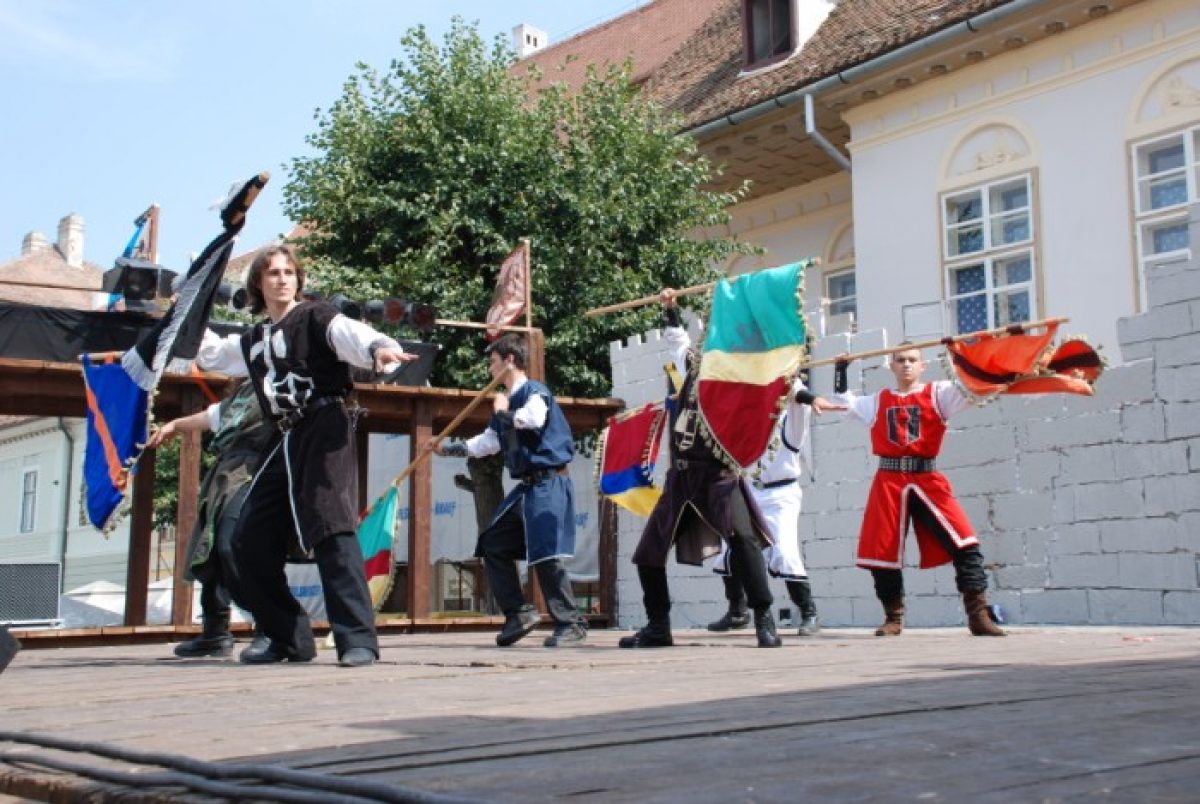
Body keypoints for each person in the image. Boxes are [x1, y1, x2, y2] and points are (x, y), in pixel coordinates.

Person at [197, 244, 416, 667]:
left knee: (331, 526)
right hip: (286, 436)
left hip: (325, 424)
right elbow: (211, 356)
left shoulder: (315, 316)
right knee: (247, 541)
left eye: (289, 272)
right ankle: (289, 637)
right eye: (272, 273)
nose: (282, 279)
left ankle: (357, 639)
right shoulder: (255, 339)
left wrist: (378, 350)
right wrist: (190, 311)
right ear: (258, 283)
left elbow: (351, 335)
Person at [620, 290, 783, 649]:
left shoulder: (740, 378)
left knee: (744, 542)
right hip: (680, 476)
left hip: (718, 475)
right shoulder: (694, 364)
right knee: (648, 552)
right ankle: (658, 626)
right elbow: (678, 343)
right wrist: (670, 308)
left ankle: (763, 618)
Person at [429, 334, 587, 648]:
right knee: (493, 543)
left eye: (493, 362)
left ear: (509, 361)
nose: (489, 369)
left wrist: (502, 412)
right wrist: (447, 450)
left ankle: (571, 623)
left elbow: (533, 420)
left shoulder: (534, 392)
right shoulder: (509, 404)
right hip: (528, 488)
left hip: (549, 482)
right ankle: (519, 613)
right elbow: (488, 442)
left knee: (546, 554)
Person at [837, 344, 1006, 637]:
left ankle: (978, 615)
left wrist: (959, 353)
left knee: (965, 542)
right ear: (891, 365)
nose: (906, 365)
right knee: (882, 551)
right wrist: (840, 371)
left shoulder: (939, 393)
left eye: (912, 360)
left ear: (922, 365)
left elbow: (974, 388)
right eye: (900, 360)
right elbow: (843, 404)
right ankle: (893, 617)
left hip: (927, 476)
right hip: (889, 480)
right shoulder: (878, 401)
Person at [708, 374, 842, 637]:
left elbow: (796, 391)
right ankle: (737, 611)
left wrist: (811, 397)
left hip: (781, 495)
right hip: (748, 492)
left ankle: (808, 612)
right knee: (729, 547)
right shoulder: (745, 419)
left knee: (785, 552)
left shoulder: (789, 419)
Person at [148, 380, 273, 658]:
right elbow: (213, 416)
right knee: (211, 551)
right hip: (226, 474)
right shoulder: (244, 391)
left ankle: (271, 627)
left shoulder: (280, 383)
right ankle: (215, 632)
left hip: (257, 471)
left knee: (235, 545)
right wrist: (176, 425)